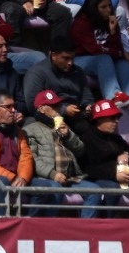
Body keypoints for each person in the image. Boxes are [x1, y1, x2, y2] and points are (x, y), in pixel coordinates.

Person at [68, 0, 129, 108]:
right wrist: (119, 53)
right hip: (80, 59)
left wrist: (113, 32)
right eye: (103, 7)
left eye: (109, 6)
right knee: (104, 59)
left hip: (104, 56)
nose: (109, 10)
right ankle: (113, 96)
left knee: (123, 63)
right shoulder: (80, 24)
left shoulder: (110, 21)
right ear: (93, 8)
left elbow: (117, 48)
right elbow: (94, 50)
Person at [20, 89, 86, 217]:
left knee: (94, 192)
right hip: (46, 178)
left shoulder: (64, 126)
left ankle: (88, 228)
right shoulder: (30, 130)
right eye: (53, 106)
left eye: (59, 105)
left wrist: (68, 135)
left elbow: (81, 150)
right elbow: (32, 158)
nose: (58, 109)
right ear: (41, 109)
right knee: (55, 189)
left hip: (71, 178)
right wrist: (52, 173)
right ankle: (48, 226)